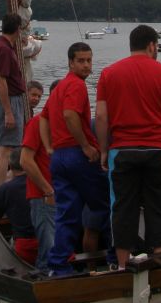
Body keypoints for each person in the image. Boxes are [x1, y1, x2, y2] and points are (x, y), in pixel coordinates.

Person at [95, 24, 161, 270]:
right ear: (152, 45)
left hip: (122, 150)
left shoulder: (108, 74)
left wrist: (104, 150)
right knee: (160, 208)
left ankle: (124, 267)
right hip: (159, 150)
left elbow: (101, 117)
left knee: (123, 208)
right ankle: (159, 264)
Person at [41, 42, 111, 274]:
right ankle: (115, 256)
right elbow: (70, 114)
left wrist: (49, 147)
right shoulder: (76, 86)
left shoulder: (59, 87)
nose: (86, 65)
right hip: (75, 154)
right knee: (108, 203)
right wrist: (85, 145)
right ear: (70, 62)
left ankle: (58, 265)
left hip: (59, 158)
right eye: (81, 61)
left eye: (89, 60)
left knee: (67, 213)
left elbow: (44, 117)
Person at [20, 80, 58, 273]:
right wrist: (47, 190)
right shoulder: (37, 123)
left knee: (59, 240)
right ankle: (46, 275)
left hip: (62, 193)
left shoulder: (68, 124)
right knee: (48, 244)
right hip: (44, 195)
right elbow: (25, 160)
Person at [0, 12, 27, 190]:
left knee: (0, 148)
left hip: (2, 100)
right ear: (17, 29)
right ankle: (0, 193)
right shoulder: (4, 50)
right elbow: (1, 81)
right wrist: (9, 112)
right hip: (8, 100)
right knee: (6, 149)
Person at [0, 149, 38, 266]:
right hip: (52, 243)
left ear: (9, 165)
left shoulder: (4, 189)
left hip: (25, 249)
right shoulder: (45, 183)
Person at [0, 81, 43, 164]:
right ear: (25, 94)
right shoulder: (19, 109)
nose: (36, 99)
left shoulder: (28, 111)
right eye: (33, 95)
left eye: (39, 97)